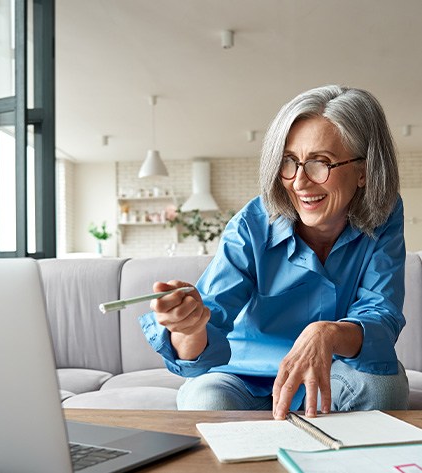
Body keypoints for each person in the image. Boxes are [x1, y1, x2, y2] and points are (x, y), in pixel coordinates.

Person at [139, 85, 409, 419]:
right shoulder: (251, 225)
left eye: (319, 163)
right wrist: (189, 327)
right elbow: (209, 326)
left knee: (385, 386)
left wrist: (327, 333)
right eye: (289, 162)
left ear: (364, 171)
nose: (299, 182)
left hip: (333, 372)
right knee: (207, 401)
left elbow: (380, 314)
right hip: (240, 375)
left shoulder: (384, 215)